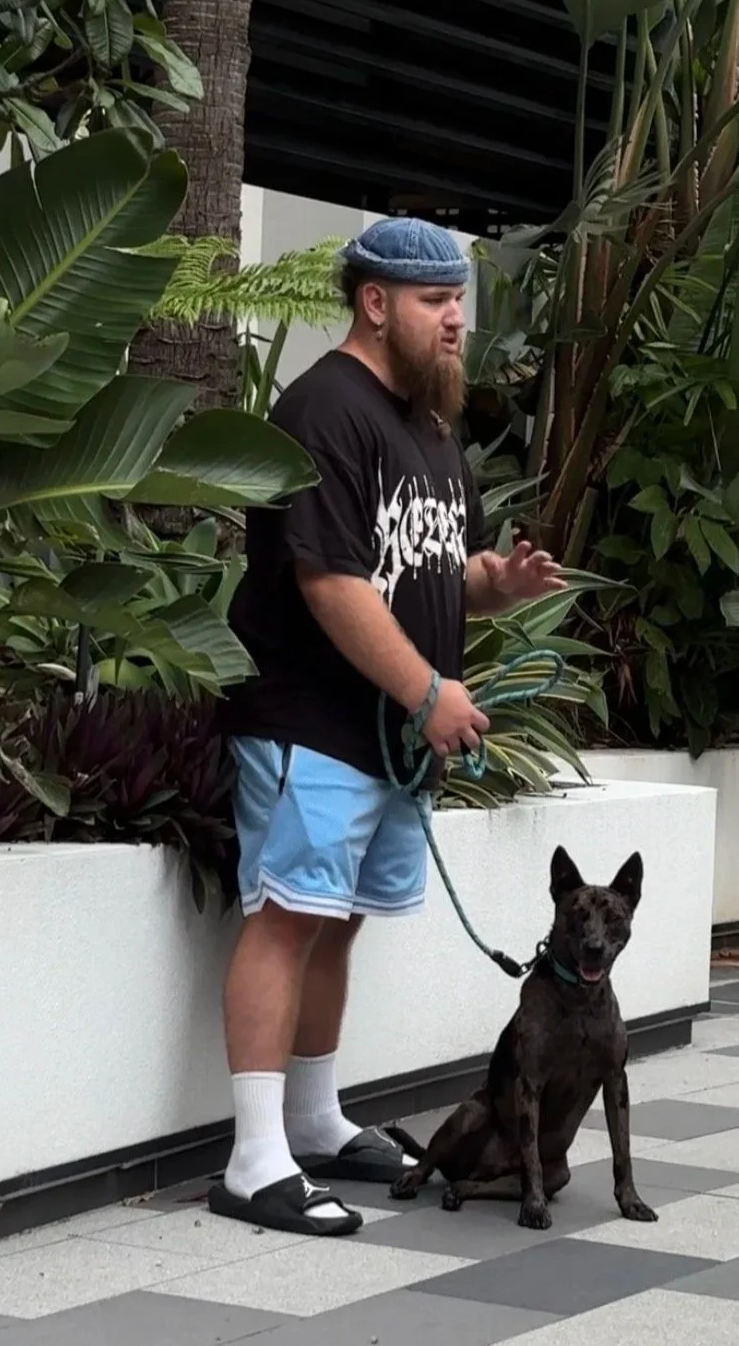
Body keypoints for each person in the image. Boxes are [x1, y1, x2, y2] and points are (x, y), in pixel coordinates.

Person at [209, 216, 565, 1238]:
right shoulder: (324, 410)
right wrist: (428, 692)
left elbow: (420, 568)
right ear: (376, 303)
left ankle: (315, 1123)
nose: (457, 319)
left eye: (458, 299)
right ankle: (252, 1158)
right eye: (434, 302)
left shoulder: (429, 424)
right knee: (287, 918)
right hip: (308, 724)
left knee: (338, 920)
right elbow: (329, 583)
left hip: (382, 740)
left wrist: (494, 585)